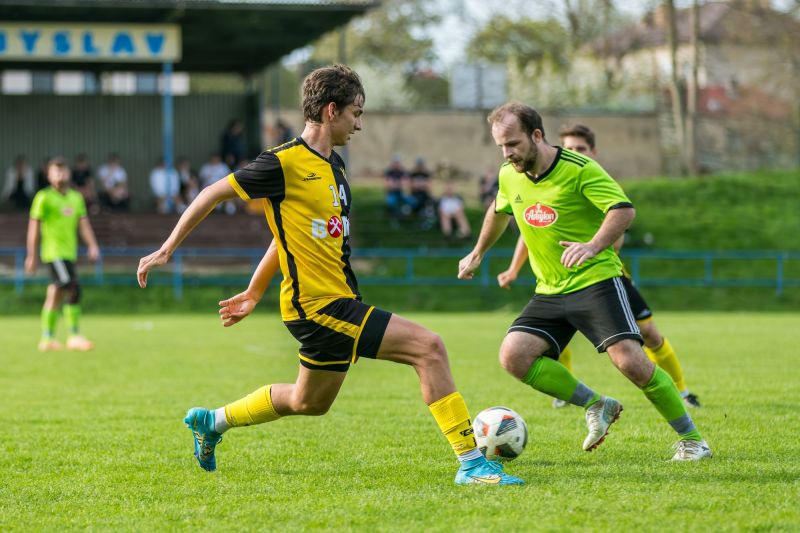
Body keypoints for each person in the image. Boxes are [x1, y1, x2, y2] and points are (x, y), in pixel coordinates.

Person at [137, 64, 523, 485]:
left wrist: (253, 289)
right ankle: (471, 464)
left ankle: (212, 422)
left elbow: (283, 239)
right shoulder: (282, 163)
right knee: (428, 348)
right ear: (331, 111)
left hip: (335, 301)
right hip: (317, 306)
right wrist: (167, 248)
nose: (360, 124)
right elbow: (212, 192)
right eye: (356, 113)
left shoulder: (336, 167)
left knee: (308, 401)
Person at [458, 102, 711, 461]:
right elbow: (499, 211)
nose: (507, 153)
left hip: (596, 281)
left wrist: (593, 245)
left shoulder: (580, 169)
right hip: (549, 289)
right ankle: (596, 404)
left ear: (536, 135)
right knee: (514, 356)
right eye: (501, 145)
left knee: (631, 363)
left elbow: (623, 210)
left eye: (513, 144)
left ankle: (693, 440)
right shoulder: (508, 174)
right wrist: (478, 252)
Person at [497, 123, 701, 409]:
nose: (574, 153)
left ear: (593, 152)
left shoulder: (595, 182)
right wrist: (514, 268)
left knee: (648, 337)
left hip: (607, 276)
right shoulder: (546, 180)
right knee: (546, 339)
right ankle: (566, 393)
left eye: (580, 149)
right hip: (560, 282)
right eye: (568, 148)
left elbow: (618, 228)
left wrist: (592, 244)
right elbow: (530, 230)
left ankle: (682, 392)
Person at [26, 157, 100, 352]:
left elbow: (83, 225)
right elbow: (33, 229)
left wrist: (92, 245)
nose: (60, 175)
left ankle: (47, 338)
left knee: (55, 293)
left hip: (69, 254)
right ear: (48, 175)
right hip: (53, 253)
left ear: (68, 173)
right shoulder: (43, 197)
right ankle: (74, 335)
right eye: (55, 171)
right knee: (73, 288)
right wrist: (31, 255)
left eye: (63, 171)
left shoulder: (76, 198)